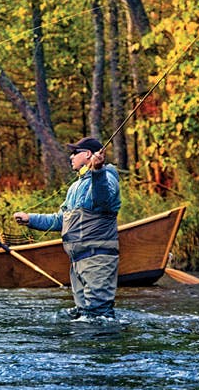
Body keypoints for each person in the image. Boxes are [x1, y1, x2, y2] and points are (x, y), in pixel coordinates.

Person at [13, 137, 121, 321]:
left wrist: (98, 171)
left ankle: (106, 348)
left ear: (88, 154)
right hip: (78, 262)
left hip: (97, 260)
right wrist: (30, 219)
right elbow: (61, 220)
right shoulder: (75, 187)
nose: (71, 157)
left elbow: (102, 200)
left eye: (75, 153)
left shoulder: (107, 178)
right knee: (85, 317)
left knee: (99, 317)